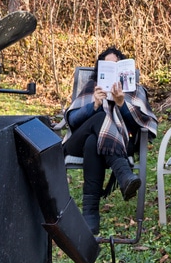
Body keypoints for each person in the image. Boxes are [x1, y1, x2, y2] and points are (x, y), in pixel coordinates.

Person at [62, 47, 158, 235]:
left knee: (93, 142)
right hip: (77, 144)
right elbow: (72, 120)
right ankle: (124, 175)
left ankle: (90, 215)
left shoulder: (134, 90)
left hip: (121, 141)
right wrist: (95, 105)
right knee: (98, 120)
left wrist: (122, 104)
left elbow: (141, 126)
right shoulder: (91, 87)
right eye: (107, 66)